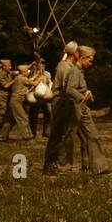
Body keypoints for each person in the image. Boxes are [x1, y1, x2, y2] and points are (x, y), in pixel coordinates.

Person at [72, 46, 109, 174]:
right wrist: (82, 96)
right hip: (78, 108)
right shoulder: (74, 72)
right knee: (93, 136)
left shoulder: (79, 71)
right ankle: (99, 167)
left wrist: (86, 93)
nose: (91, 63)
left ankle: (87, 167)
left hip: (80, 107)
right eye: (90, 61)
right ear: (82, 58)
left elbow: (76, 88)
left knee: (85, 138)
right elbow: (69, 89)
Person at [42, 46, 79, 174]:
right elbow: (67, 87)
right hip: (61, 102)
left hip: (63, 101)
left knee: (59, 135)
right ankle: (54, 167)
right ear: (74, 53)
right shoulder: (64, 66)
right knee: (59, 135)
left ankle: (52, 167)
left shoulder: (67, 65)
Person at [5, 64, 36, 141]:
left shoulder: (19, 77)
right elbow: (34, 83)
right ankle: (27, 136)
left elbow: (30, 80)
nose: (28, 73)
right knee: (23, 117)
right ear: (23, 72)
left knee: (11, 120)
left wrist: (36, 75)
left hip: (16, 100)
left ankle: (1, 135)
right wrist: (40, 78)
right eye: (27, 71)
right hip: (16, 100)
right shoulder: (22, 78)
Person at [27, 59, 52, 138]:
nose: (42, 66)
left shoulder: (47, 74)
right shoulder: (31, 73)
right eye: (40, 64)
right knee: (33, 115)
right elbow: (26, 77)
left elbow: (49, 83)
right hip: (35, 96)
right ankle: (32, 132)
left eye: (43, 64)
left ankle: (46, 132)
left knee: (48, 114)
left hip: (45, 96)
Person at [0, 59, 16, 140]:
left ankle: (1, 133)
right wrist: (14, 80)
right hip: (1, 97)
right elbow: (5, 85)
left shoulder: (8, 72)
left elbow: (19, 71)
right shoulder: (0, 74)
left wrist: (30, 65)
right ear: (4, 67)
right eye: (9, 66)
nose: (10, 67)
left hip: (7, 97)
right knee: (5, 116)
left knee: (8, 117)